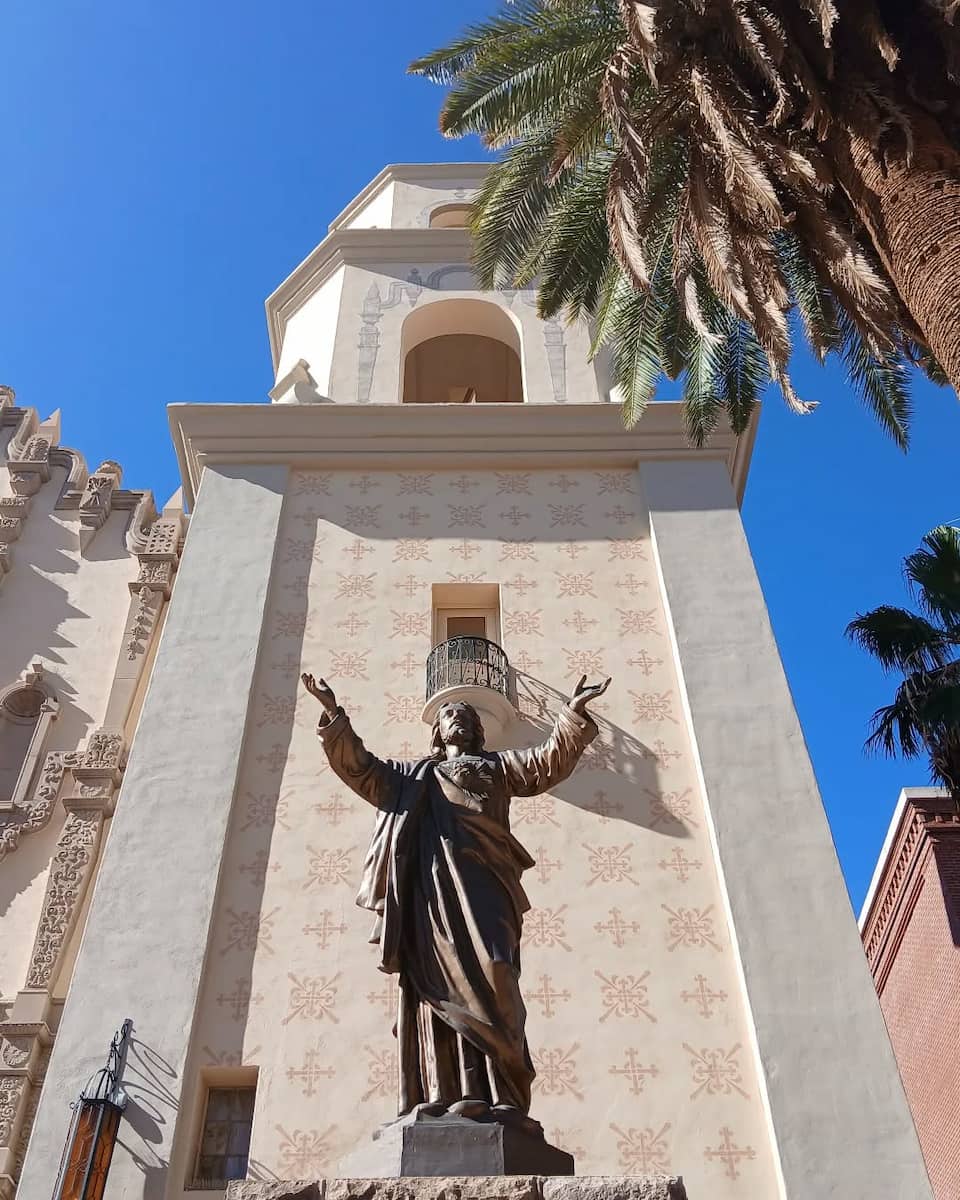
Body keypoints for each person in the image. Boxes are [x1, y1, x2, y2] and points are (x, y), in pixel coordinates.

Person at [300, 671, 610, 1125]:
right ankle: (446, 1093)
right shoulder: (410, 777)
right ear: (437, 732)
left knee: (497, 972)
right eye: (449, 715)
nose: (457, 718)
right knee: (436, 990)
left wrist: (572, 716)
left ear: (477, 730)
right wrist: (332, 714)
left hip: (487, 887)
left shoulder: (499, 768)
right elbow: (361, 769)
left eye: (464, 715)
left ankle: (505, 1093)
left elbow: (547, 762)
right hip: (430, 893)